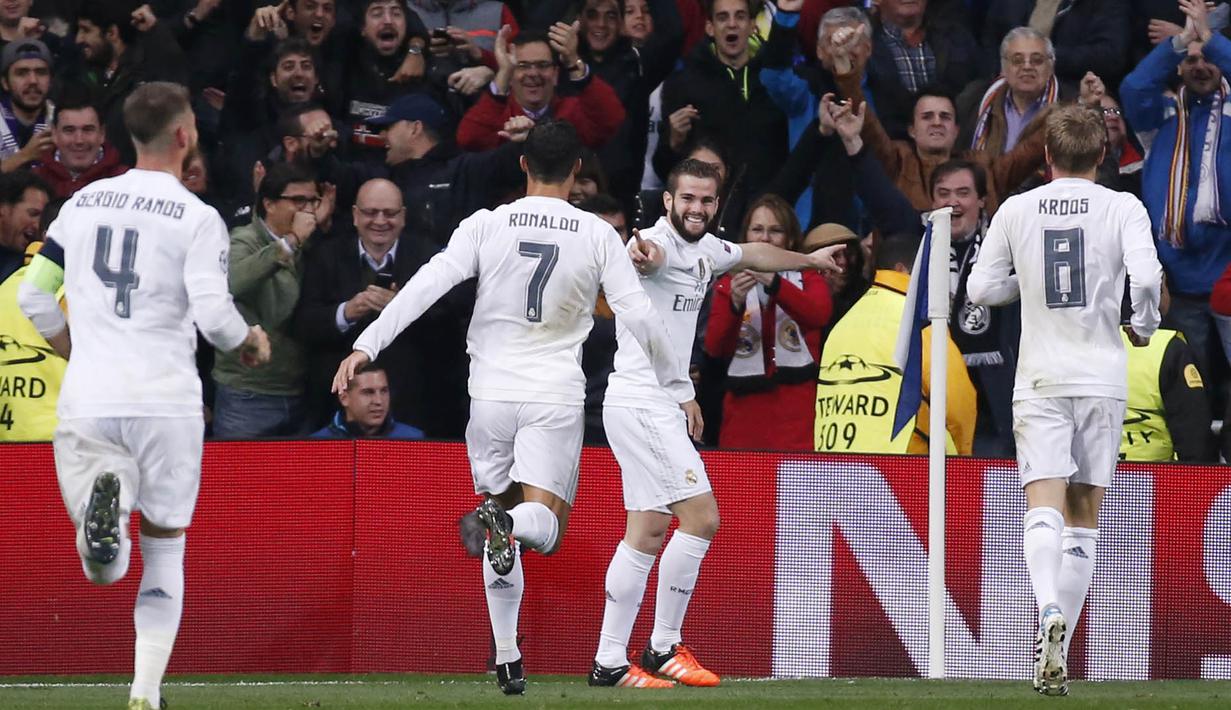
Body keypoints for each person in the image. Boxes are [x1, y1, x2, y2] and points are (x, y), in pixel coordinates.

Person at [332, 120, 694, 696]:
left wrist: (365, 344)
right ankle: (504, 533)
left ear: (523, 165)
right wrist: (679, 387)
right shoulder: (596, 233)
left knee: (499, 519)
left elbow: (428, 284)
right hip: (551, 396)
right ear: (578, 172)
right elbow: (641, 317)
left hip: (489, 398)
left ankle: (507, 656)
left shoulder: (486, 224)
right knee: (542, 528)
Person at [16, 81, 271, 710]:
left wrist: (72, 347)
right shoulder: (197, 216)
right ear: (185, 135)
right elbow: (215, 318)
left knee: (104, 566)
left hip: (93, 395)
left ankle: (109, 506)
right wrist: (251, 342)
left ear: (125, 136)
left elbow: (30, 295)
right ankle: (145, 693)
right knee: (165, 549)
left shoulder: (82, 205)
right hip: (167, 403)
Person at [591, 160, 842, 688]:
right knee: (702, 518)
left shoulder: (706, 248)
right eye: (687, 199)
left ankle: (610, 662)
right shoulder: (655, 246)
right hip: (643, 403)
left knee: (648, 529)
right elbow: (645, 258)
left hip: (648, 404)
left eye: (707, 201)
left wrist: (811, 261)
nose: (697, 209)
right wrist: (640, 256)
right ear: (668, 202)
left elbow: (754, 253)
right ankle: (661, 648)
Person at [967, 103, 1163, 696]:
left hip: (1042, 376)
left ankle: (1047, 607)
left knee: (1042, 501)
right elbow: (1148, 278)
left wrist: (1024, 286)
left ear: (1046, 156)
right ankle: (1057, 650)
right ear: (1102, 155)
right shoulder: (1122, 206)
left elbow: (979, 288)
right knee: (1083, 515)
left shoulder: (1017, 209)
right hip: (1102, 376)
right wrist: (1145, 323)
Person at [1120, 0, 1231, 400]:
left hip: (1228, 275)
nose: (1200, 67)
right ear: (1179, 68)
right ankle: (1195, 459)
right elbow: (1133, 88)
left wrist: (1212, 40)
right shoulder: (1160, 117)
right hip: (1179, 280)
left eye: (1208, 60)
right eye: (1191, 61)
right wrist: (1181, 41)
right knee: (1190, 387)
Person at [813, 230, 976, 455]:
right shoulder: (918, 324)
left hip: (839, 471)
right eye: (929, 273)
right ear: (903, 270)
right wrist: (963, 460)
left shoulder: (842, 325)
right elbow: (957, 402)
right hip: (905, 471)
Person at [704, 196, 834, 452]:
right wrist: (735, 304)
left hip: (798, 417)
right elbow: (714, 347)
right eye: (757, 230)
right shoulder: (728, 283)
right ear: (745, 236)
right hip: (743, 420)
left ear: (790, 239)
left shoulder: (807, 276)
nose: (765, 239)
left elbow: (818, 315)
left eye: (776, 231)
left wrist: (775, 283)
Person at [211, 162, 323, 439]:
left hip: (298, 390)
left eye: (313, 201)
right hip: (247, 394)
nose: (307, 209)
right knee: (239, 481)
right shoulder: (242, 239)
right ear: (270, 204)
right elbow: (232, 281)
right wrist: (290, 242)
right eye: (298, 200)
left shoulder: (313, 245)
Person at [32, 94, 128, 198]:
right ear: (54, 134)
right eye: (69, 130)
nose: (79, 140)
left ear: (102, 134)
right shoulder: (34, 181)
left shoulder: (125, 181)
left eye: (88, 130)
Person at [312, 362, 424, 439]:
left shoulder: (413, 440)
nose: (378, 401)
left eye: (384, 391)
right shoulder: (316, 445)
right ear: (344, 398)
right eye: (368, 392)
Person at [0, 37, 53, 173]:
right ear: (5, 82)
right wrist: (24, 156)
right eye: (22, 73)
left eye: (41, 72)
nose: (33, 81)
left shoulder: (62, 120)